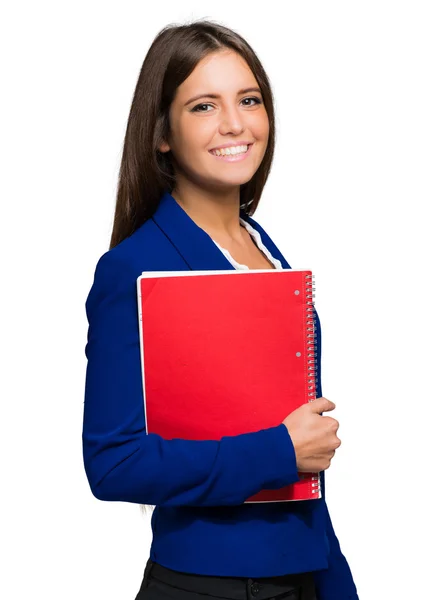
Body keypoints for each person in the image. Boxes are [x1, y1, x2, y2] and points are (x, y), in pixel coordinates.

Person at [82, 19, 359, 600]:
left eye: (249, 99)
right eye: (204, 105)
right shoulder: (134, 269)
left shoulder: (264, 249)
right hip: (211, 584)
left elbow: (303, 460)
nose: (235, 123)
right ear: (162, 133)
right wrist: (279, 451)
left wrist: (336, 584)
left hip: (304, 570)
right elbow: (114, 463)